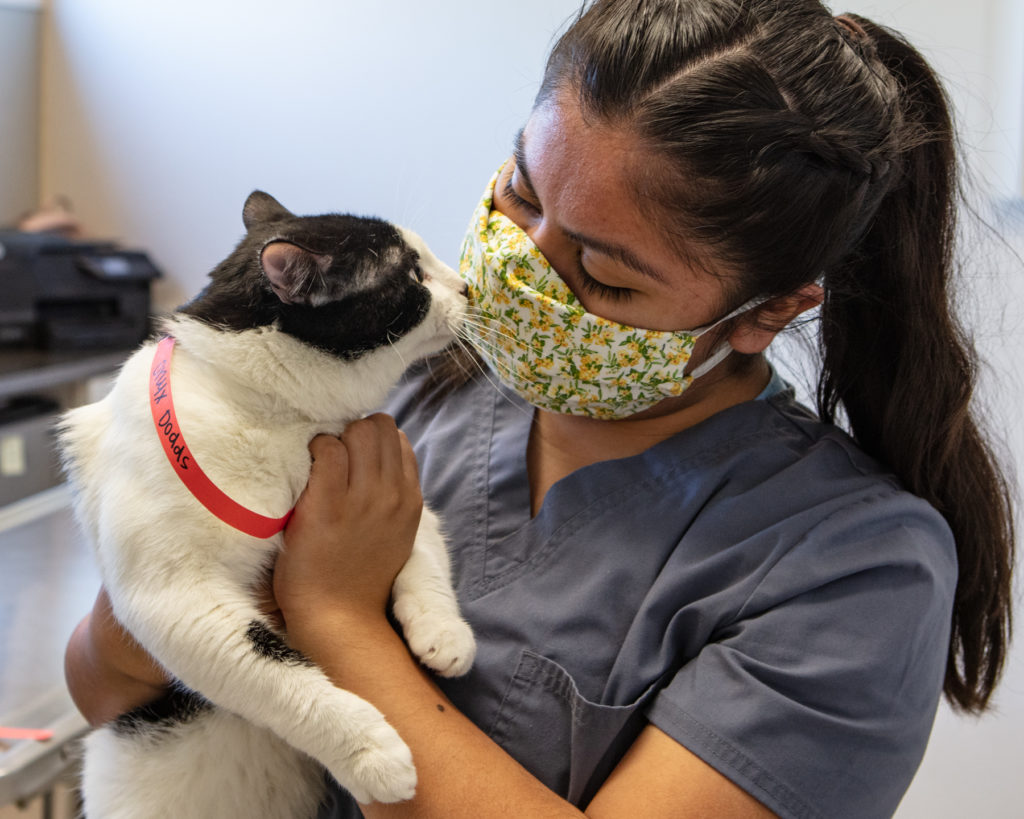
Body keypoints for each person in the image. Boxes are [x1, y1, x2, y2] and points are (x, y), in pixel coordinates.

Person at [65, 1, 1016, 817]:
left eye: (600, 275)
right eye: (519, 196)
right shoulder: (399, 391)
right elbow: (105, 682)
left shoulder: (853, 565)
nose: (520, 278)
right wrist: (164, 531)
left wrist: (334, 613)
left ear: (768, 309)